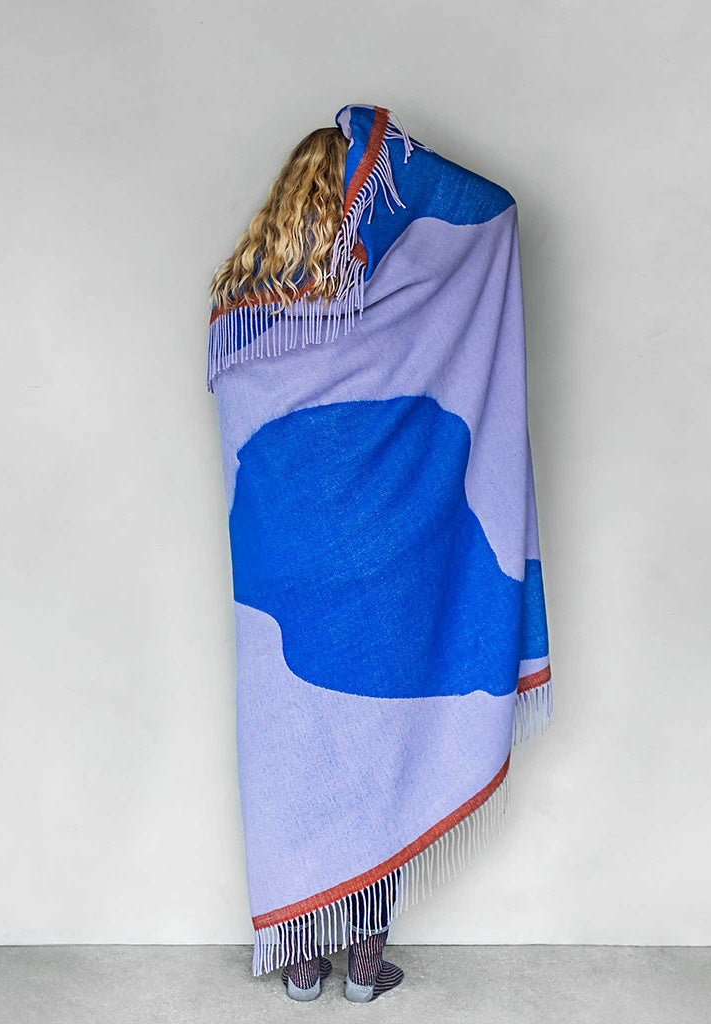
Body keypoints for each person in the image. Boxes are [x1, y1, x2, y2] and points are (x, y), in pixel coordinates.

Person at [207, 105, 552, 1003]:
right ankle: (365, 965)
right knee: (382, 738)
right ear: (365, 191)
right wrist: (385, 143)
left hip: (283, 568)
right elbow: (491, 208)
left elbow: (255, 442)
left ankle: (301, 964)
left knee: (296, 745)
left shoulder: (245, 302)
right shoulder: (395, 297)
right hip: (387, 554)